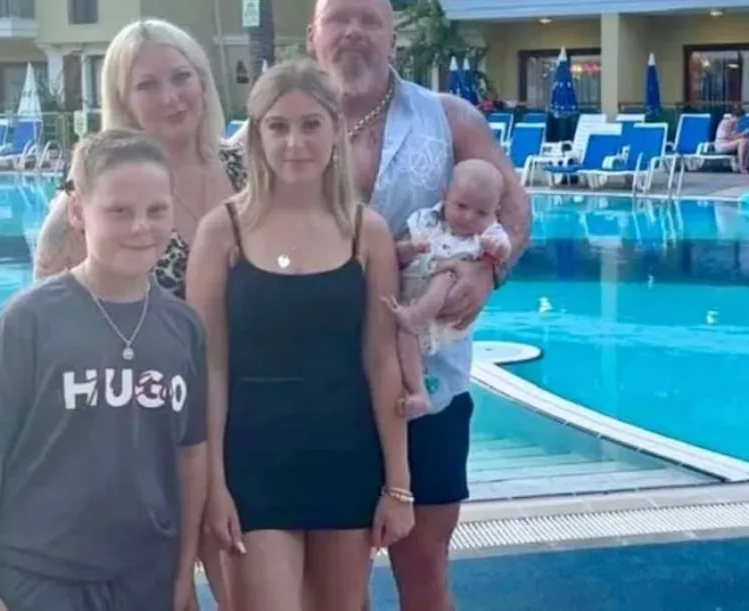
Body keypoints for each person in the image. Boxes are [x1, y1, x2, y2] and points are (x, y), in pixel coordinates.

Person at [305, 0, 532, 609]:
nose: (354, 31)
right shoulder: (282, 125)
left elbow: (514, 203)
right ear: (313, 35)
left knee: (425, 568)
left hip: (428, 382)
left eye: (371, 20)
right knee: (332, 584)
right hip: (319, 385)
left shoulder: (449, 117)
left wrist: (488, 272)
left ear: (393, 38)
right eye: (339, 18)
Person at [30, 18, 244, 609]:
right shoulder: (90, 203)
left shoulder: (250, 171)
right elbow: (49, 321)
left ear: (203, 81)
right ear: (122, 100)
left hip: (249, 418)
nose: (171, 96)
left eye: (182, 77)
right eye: (148, 85)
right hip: (146, 431)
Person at [186, 58, 414, 611]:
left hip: (345, 455)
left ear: (336, 128)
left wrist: (399, 485)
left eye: (311, 124)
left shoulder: (366, 232)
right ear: (256, 134)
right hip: (252, 462)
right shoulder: (223, 231)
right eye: (278, 126)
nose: (294, 142)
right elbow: (209, 366)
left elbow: (381, 362)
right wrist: (213, 485)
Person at [0, 129, 208, 611]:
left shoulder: (183, 328)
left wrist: (182, 570)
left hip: (144, 576)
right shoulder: (28, 321)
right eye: (119, 211)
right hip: (39, 576)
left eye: (156, 210)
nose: (141, 227)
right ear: (77, 212)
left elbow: (191, 457)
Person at [382, 159, 511, 417]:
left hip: (440, 313)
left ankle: (417, 316)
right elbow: (395, 254)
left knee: (447, 274)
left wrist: (496, 251)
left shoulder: (486, 235)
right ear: (444, 196)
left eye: (481, 213)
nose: (469, 217)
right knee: (405, 336)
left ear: (495, 212)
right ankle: (418, 393)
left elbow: (503, 250)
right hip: (409, 303)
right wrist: (410, 248)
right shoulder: (425, 222)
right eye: (461, 206)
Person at [713, 104, 749, 173]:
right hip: (721, 144)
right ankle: (741, 165)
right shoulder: (726, 122)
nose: (740, 120)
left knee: (747, 141)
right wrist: (743, 134)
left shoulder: (735, 124)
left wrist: (745, 135)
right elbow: (731, 137)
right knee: (742, 142)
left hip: (729, 143)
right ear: (735, 116)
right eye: (740, 118)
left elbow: (734, 136)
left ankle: (746, 164)